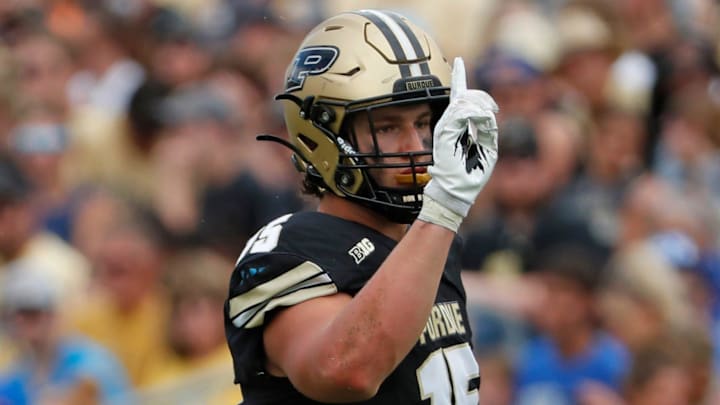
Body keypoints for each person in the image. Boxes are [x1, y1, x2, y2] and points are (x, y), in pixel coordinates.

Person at [224, 9, 500, 404]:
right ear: (322, 133)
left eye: (423, 123)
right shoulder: (289, 248)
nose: (416, 147)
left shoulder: (433, 243)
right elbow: (344, 370)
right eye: (387, 127)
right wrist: (443, 210)